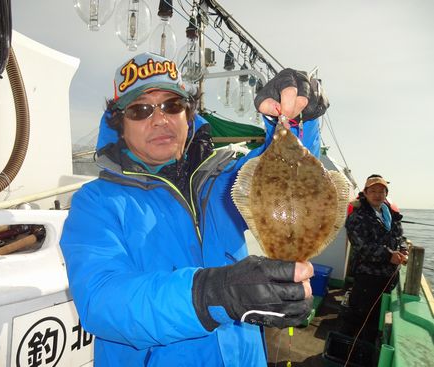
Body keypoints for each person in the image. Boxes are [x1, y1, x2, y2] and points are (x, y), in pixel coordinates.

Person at [60, 52, 329, 366]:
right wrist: (210, 294)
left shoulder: (222, 182)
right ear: (120, 125)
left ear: (188, 115)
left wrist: (297, 119)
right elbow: (101, 301)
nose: (160, 119)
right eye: (140, 109)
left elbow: (289, 179)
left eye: (172, 106)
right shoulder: (95, 203)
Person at [340, 175, 408, 343]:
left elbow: (400, 237)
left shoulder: (390, 214)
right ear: (365, 193)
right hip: (367, 277)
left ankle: (365, 349)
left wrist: (404, 250)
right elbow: (361, 246)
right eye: (373, 191)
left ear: (386, 193)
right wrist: (388, 256)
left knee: (375, 319)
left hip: (388, 276)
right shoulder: (357, 216)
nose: (377, 195)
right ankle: (344, 349)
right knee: (357, 316)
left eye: (381, 191)